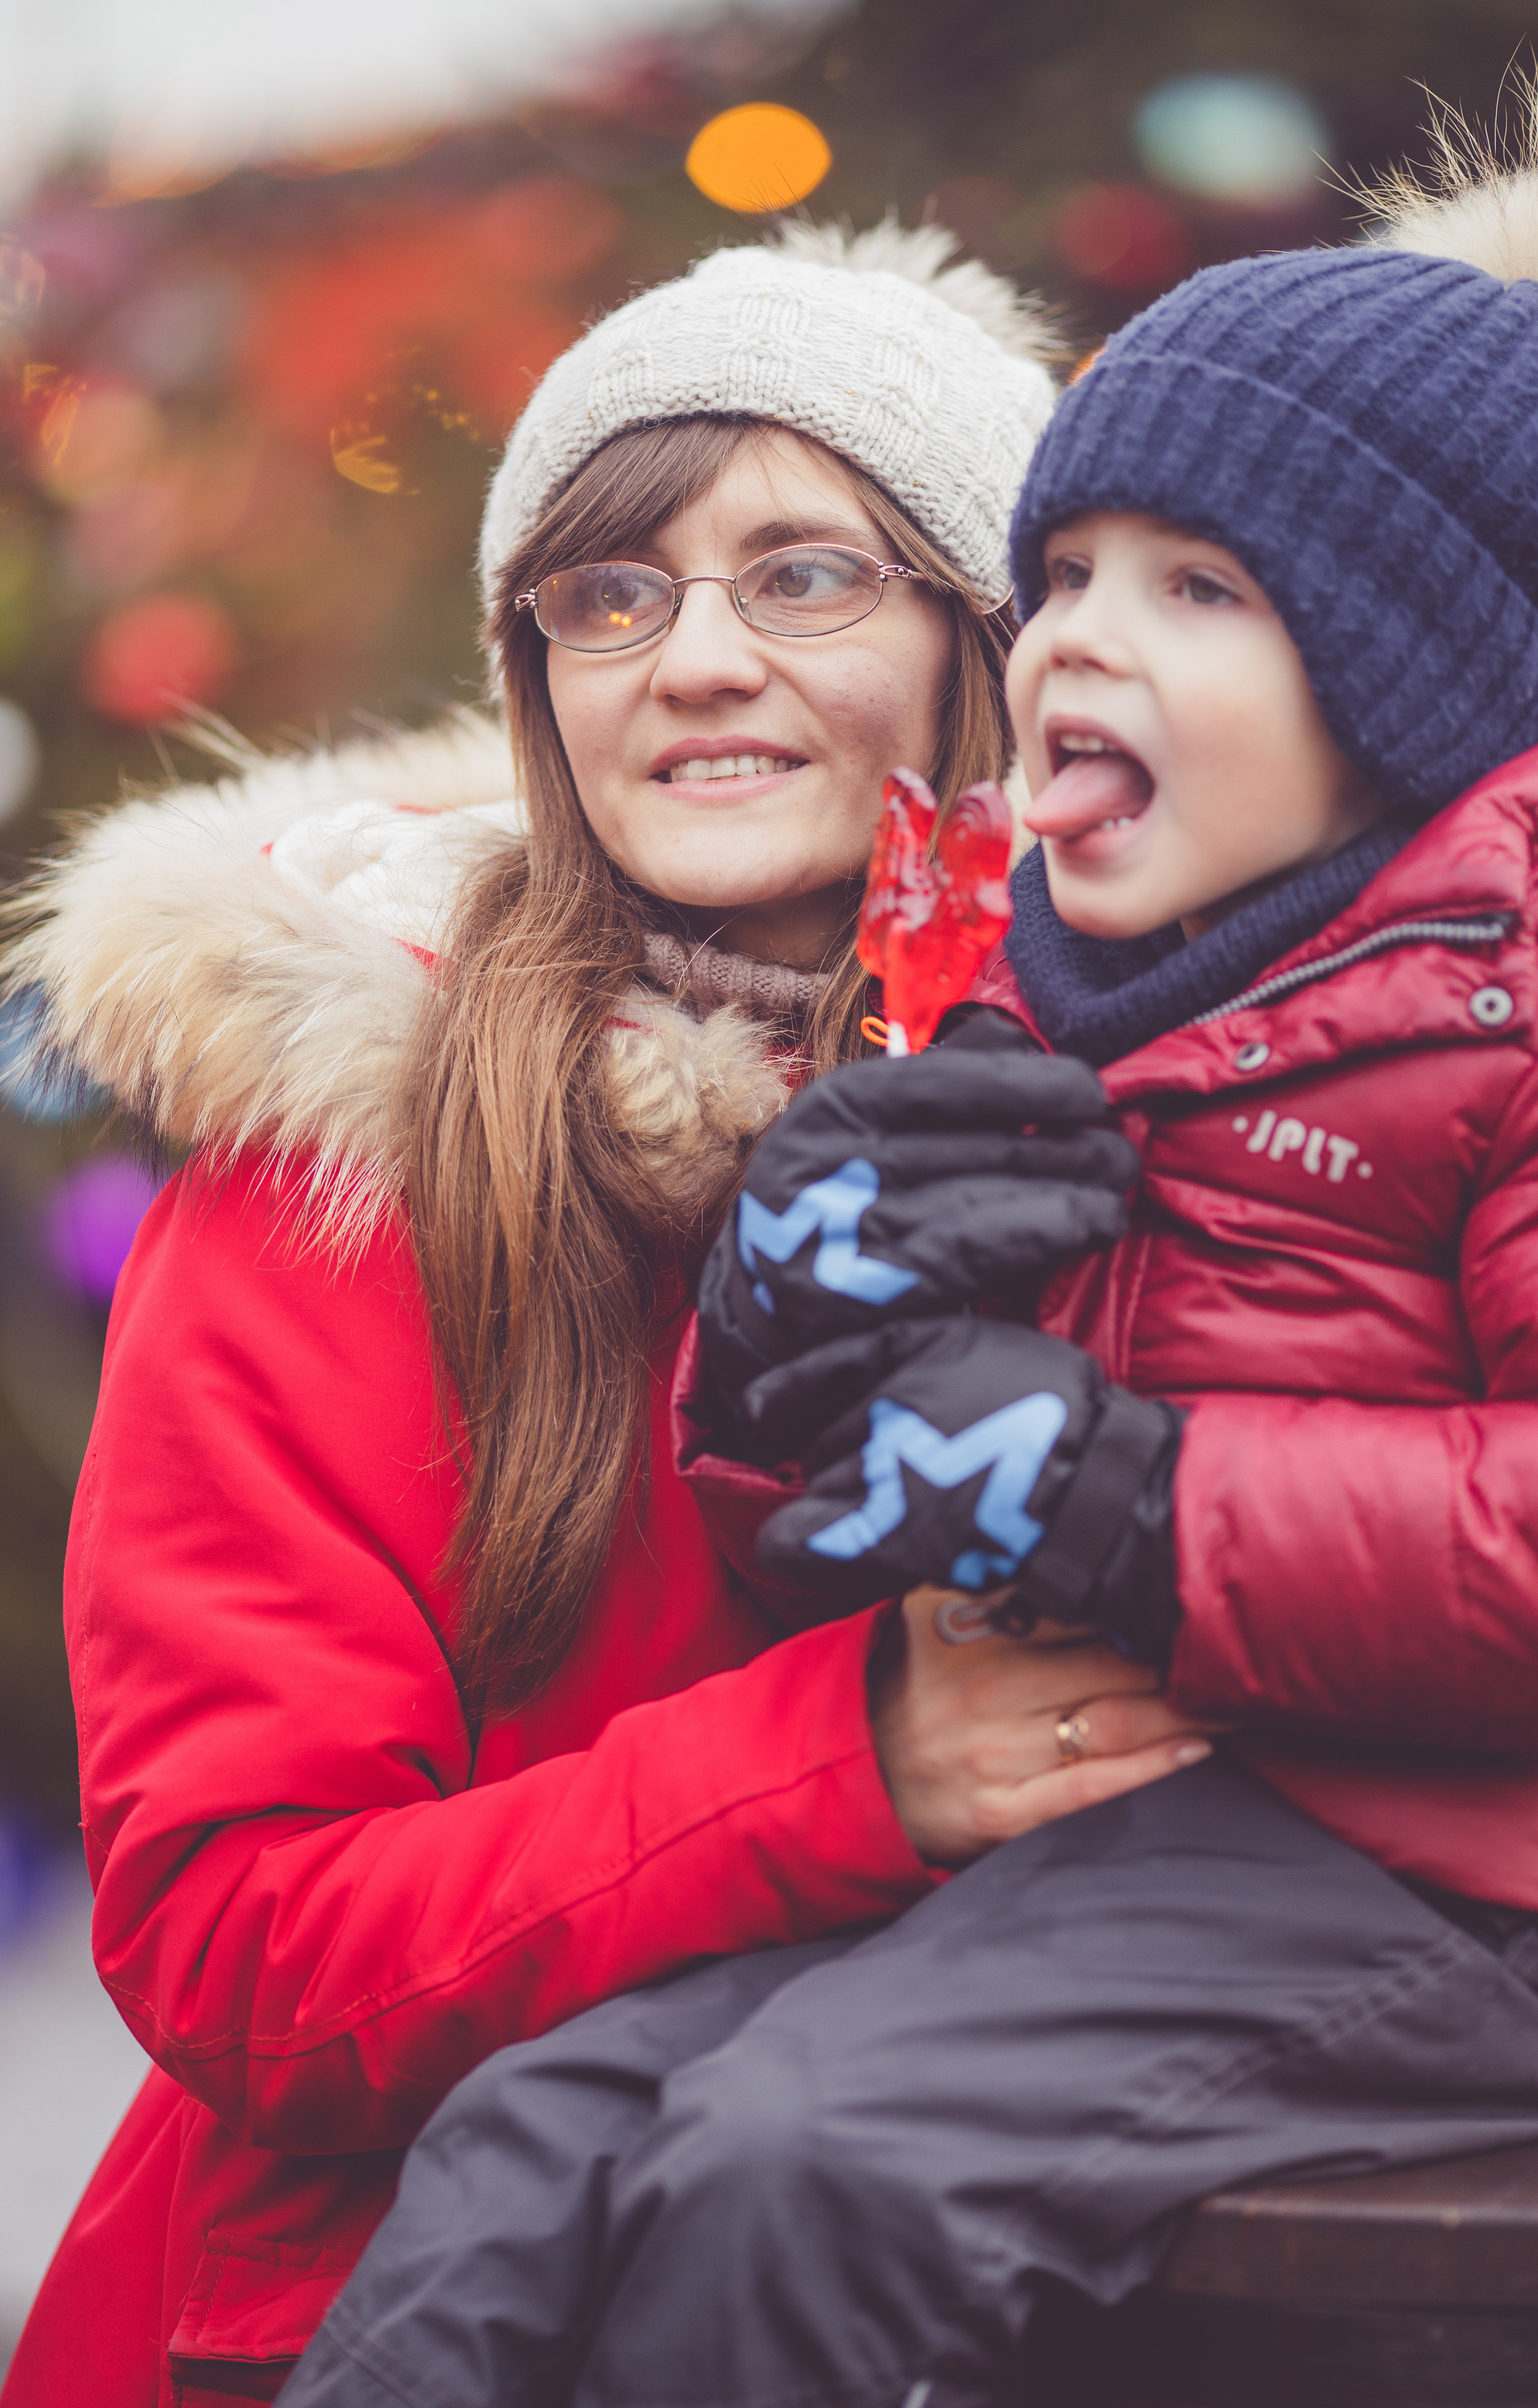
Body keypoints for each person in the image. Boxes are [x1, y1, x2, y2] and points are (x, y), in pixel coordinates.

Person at [277, 129, 1538, 2408]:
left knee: (807, 2161)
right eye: (1067, 567)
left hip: (1476, 1882)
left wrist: (1123, 1492)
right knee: (529, 2142)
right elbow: (877, 1514)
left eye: (1201, 586)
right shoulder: (1082, 972)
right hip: (1179, 1824)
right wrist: (798, 1326)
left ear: (1405, 672)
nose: (1082, 629)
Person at [0, 223, 1196, 2408]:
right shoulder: (336, 1177)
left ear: (988, 634)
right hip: (417, 2305)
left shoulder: (1217, 1104)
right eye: (612, 595)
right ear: (538, 676)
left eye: (805, 573)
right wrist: (854, 1762)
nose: (693, 660)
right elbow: (239, 1951)